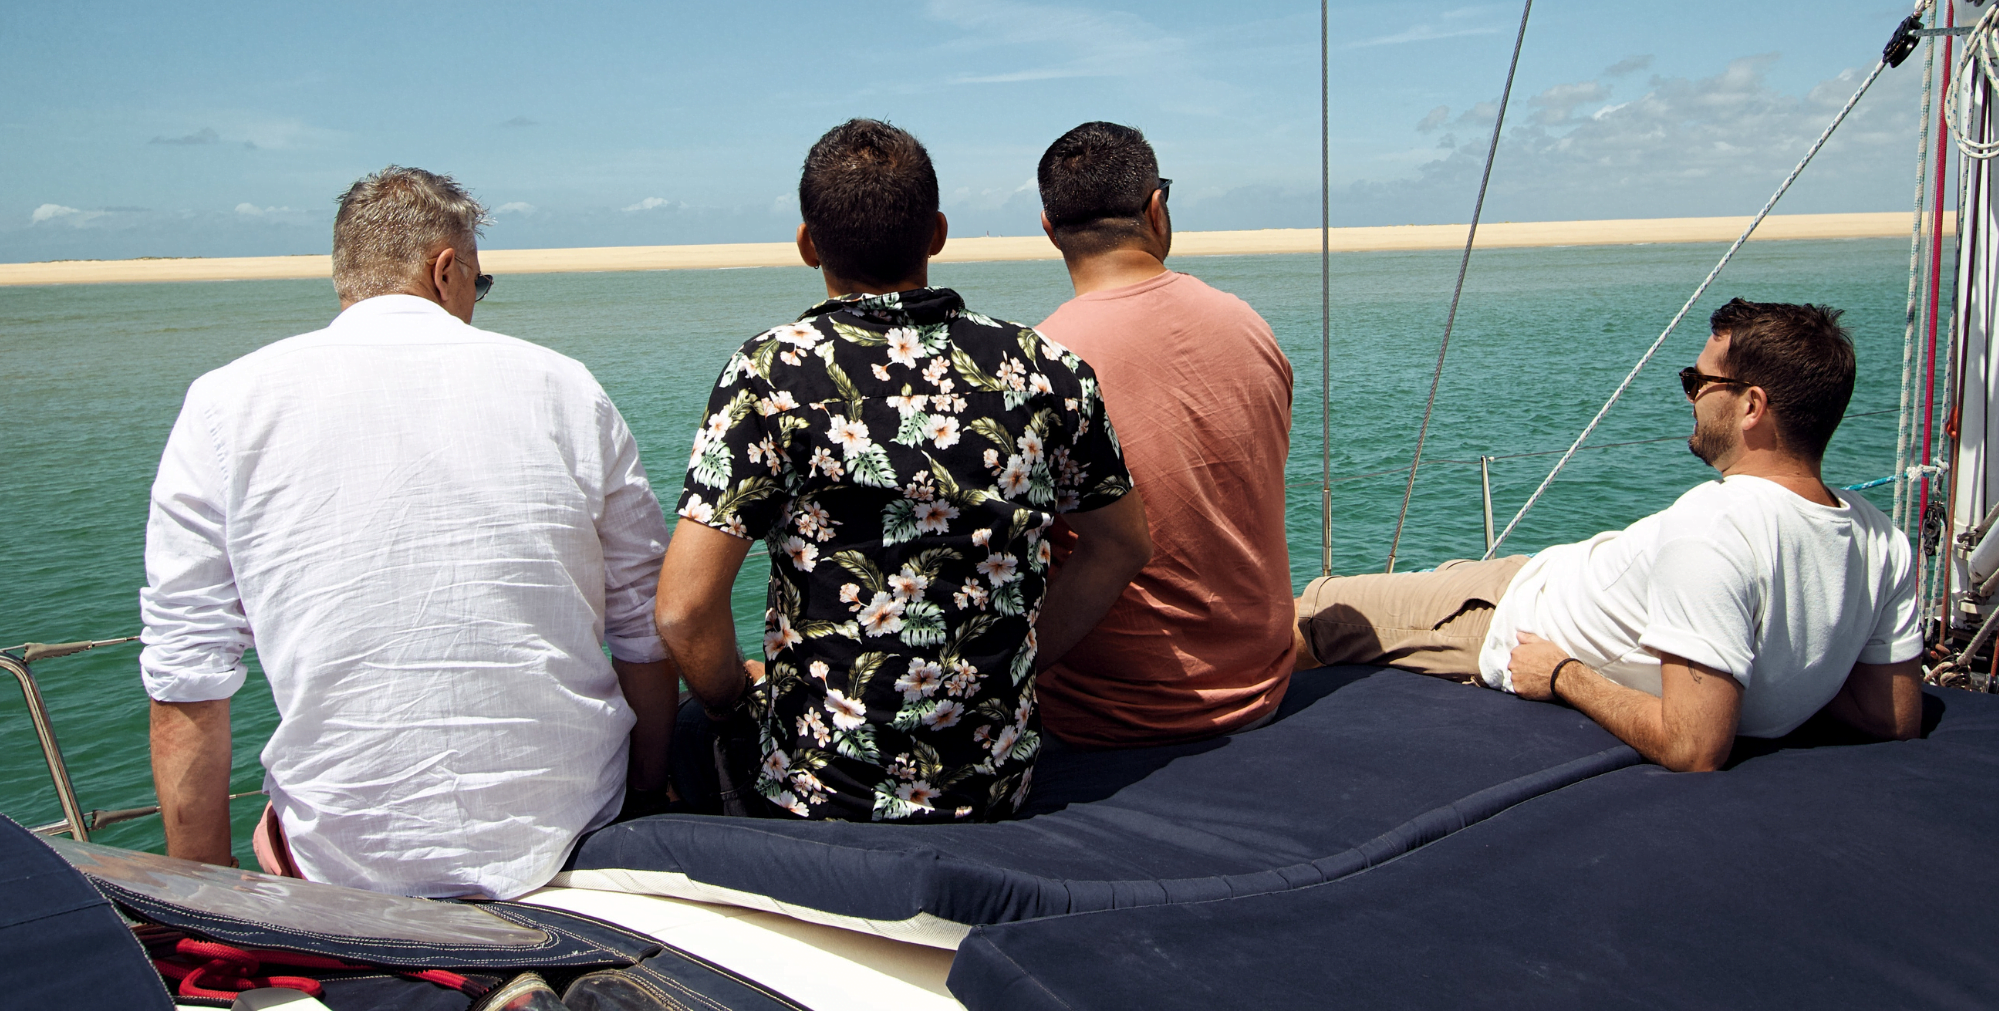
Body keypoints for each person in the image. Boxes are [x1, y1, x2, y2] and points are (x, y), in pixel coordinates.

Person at [141, 167, 675, 897]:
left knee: (278, 825)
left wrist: (209, 899)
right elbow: (643, 625)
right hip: (571, 828)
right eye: (479, 285)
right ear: (446, 269)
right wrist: (645, 794)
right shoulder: (566, 388)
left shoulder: (224, 404)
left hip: (347, 860)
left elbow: (187, 673)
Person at [658, 118, 1150, 821]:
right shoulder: (1047, 369)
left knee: (685, 733)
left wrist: (736, 701)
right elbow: (1123, 544)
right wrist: (1020, 664)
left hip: (820, 788)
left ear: (807, 245)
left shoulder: (771, 373)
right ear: (939, 233)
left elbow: (682, 609)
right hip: (991, 783)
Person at [1292, 299, 1922, 771]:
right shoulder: (1882, 541)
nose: (1691, 398)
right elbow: (1888, 716)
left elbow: (1693, 744)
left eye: (1698, 383)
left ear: (1753, 406)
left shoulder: (1716, 528)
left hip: (1505, 613)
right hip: (1552, 573)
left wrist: (1561, 674)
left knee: (1315, 611)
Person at [1031, 121, 1295, 745]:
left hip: (1104, 714)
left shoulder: (1041, 363)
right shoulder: (1248, 325)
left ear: (1049, 228)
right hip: (1260, 683)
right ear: (1157, 209)